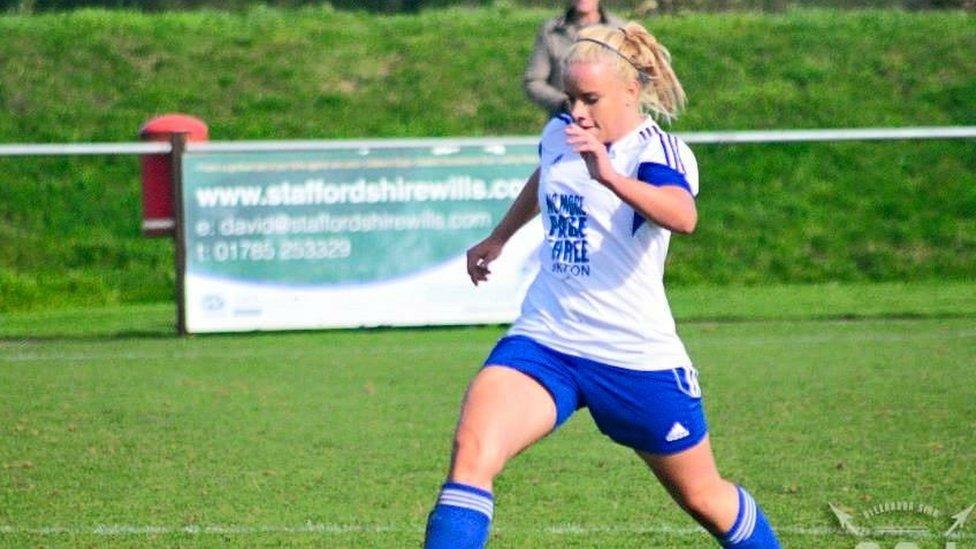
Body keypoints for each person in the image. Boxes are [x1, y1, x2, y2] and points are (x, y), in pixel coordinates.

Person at [423, 21, 781, 549]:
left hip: (634, 356)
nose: (578, 112)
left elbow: (683, 216)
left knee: (704, 497)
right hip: (548, 338)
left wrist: (608, 174)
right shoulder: (561, 135)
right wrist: (498, 237)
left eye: (591, 98)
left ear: (631, 92)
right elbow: (546, 173)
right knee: (472, 453)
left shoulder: (655, 152)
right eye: (571, 98)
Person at [523, 0, 625, 116]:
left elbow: (633, 79)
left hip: (609, 121)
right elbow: (533, 81)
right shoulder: (551, 31)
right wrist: (565, 102)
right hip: (565, 121)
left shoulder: (619, 30)